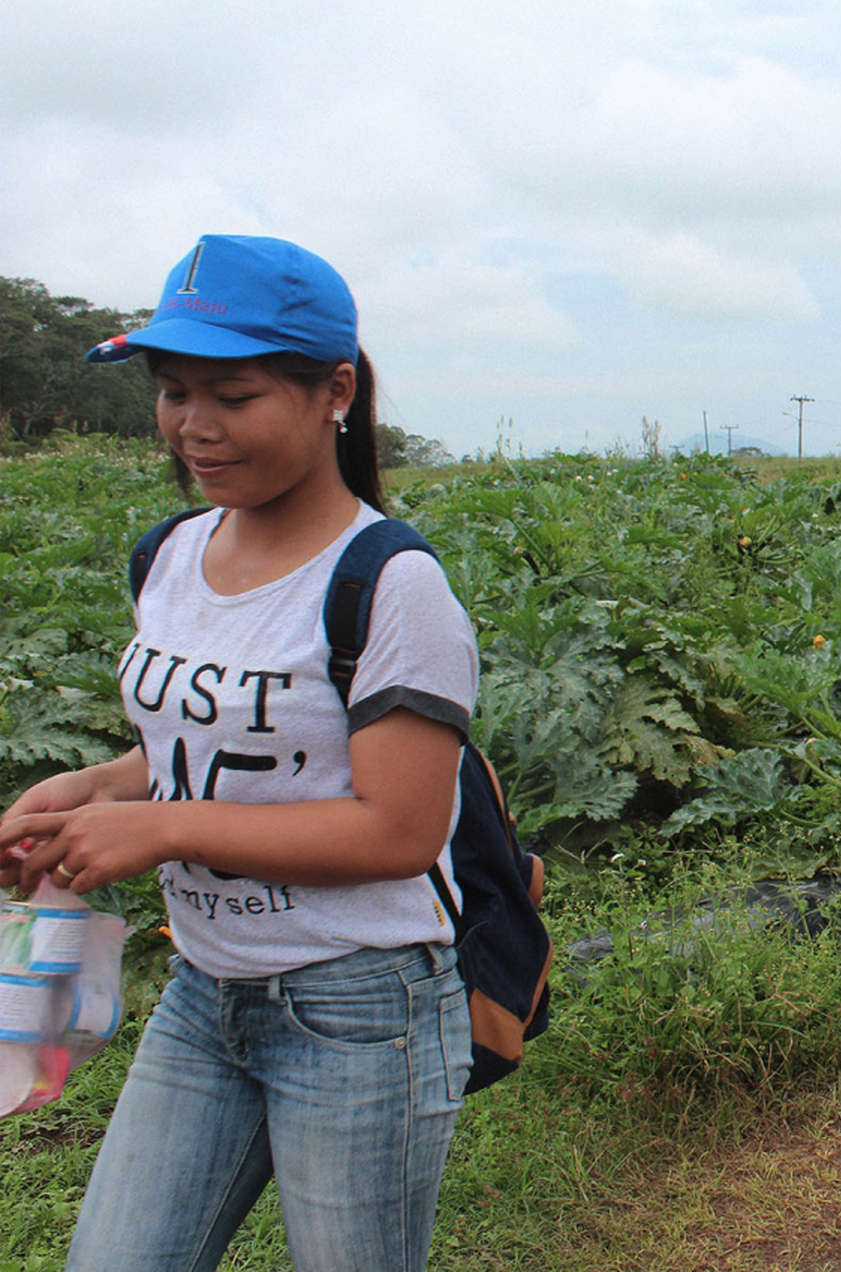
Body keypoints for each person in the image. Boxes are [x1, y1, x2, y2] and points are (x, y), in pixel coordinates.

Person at [0, 234, 477, 1271]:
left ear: (333, 391)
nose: (194, 428)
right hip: (203, 993)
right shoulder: (172, 554)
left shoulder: (391, 586)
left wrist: (160, 826)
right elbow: (211, 748)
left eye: (234, 395)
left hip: (359, 1009)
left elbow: (398, 831)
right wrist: (89, 791)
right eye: (173, 392)